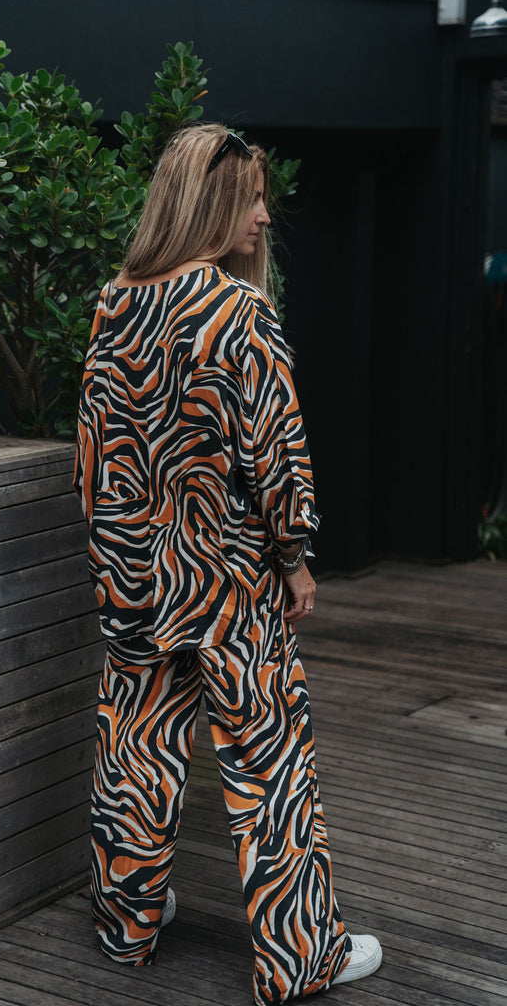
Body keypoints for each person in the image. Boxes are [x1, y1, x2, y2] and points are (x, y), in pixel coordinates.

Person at [73, 123, 382, 1004]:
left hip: (138, 575)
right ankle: (299, 956)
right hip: (227, 582)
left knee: (134, 749)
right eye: (250, 198)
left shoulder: (114, 303)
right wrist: (294, 557)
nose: (263, 216)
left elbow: (95, 455)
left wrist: (116, 558)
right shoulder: (238, 311)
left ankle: (126, 923)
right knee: (268, 762)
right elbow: (275, 455)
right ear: (208, 203)